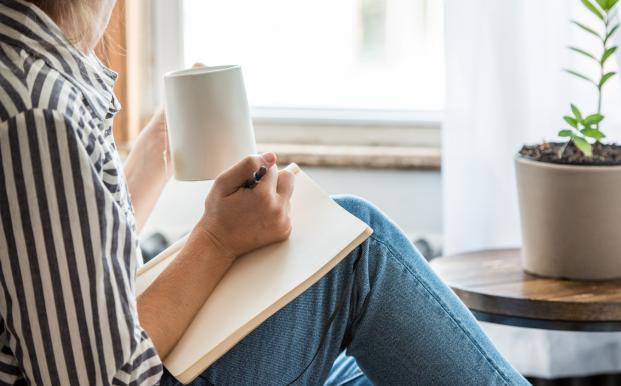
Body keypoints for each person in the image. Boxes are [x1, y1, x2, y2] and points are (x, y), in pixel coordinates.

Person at [0, 0, 529, 384]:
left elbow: (69, 277)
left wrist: (160, 148)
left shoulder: (28, 72)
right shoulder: (38, 111)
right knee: (359, 248)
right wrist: (216, 239)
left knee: (370, 367)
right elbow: (98, 376)